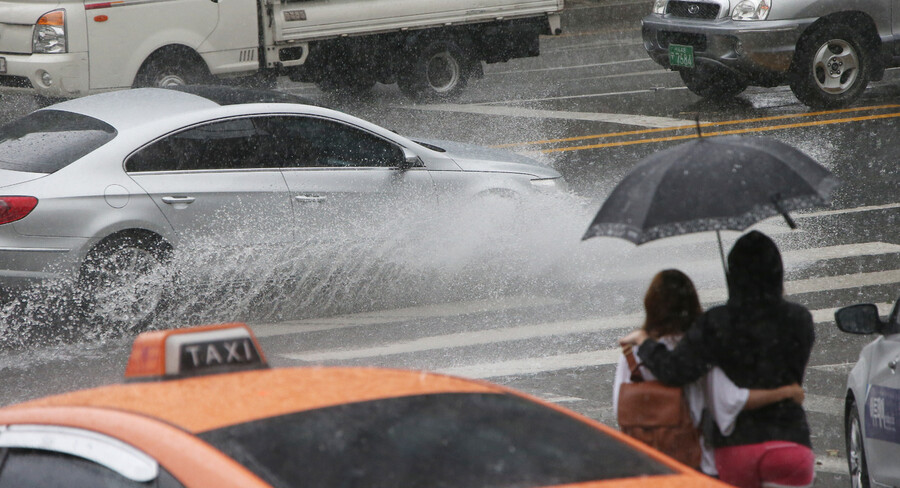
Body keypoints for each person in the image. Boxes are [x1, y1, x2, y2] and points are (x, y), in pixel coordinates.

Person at [621, 231, 816, 488]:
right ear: (777, 272)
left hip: (736, 448)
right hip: (790, 442)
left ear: (733, 275)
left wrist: (645, 343)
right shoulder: (799, 318)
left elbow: (675, 371)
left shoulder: (717, 323)